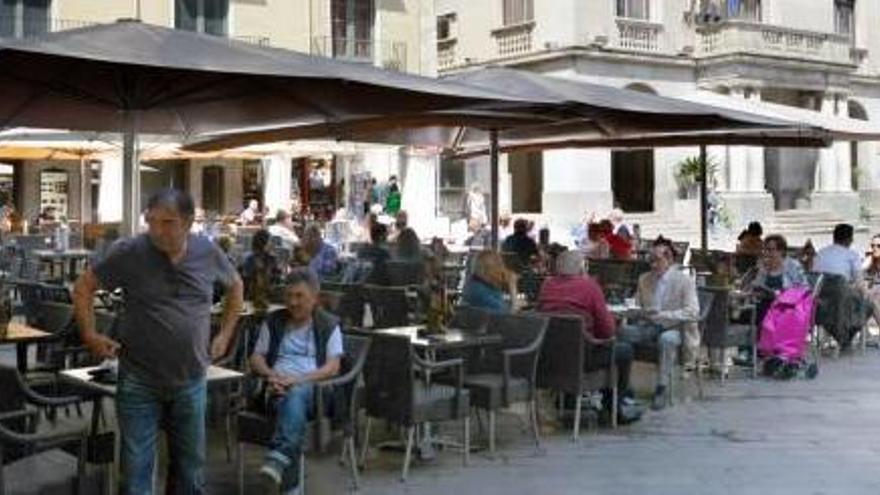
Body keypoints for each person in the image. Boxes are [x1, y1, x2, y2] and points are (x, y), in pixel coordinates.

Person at [73, 189, 244, 494]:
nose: (157, 231)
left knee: (191, 470)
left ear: (189, 222)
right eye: (151, 221)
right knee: (137, 470)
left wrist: (226, 333)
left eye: (167, 222)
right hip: (139, 378)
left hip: (191, 377)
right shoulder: (129, 251)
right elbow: (84, 286)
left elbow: (236, 287)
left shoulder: (207, 251)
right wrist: (90, 334)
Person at [249, 268, 343, 493]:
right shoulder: (274, 321)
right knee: (290, 406)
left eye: (299, 296)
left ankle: (278, 461)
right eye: (289, 296)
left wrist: (298, 379)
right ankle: (283, 472)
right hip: (276, 387)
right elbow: (256, 357)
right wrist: (272, 375)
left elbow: (333, 366)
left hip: (316, 392)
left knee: (297, 393)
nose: (293, 302)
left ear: (314, 298)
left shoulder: (329, 325)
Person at [538, 251, 639, 419]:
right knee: (624, 351)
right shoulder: (589, 287)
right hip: (583, 358)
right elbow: (608, 331)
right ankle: (614, 407)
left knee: (591, 346)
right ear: (582, 268)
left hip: (551, 358)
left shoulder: (547, 285)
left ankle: (568, 397)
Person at [619, 237, 699, 411]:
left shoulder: (684, 281)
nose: (653, 265)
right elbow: (638, 305)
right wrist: (633, 310)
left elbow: (692, 311)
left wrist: (664, 315)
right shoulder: (644, 279)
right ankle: (624, 386)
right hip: (647, 326)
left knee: (667, 340)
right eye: (651, 261)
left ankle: (661, 388)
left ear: (669, 260)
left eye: (657, 261)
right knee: (621, 333)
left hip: (674, 327)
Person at [241, 229, 281, 300]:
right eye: (270, 241)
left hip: (269, 295)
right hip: (252, 296)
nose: (272, 244)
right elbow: (246, 281)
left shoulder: (272, 259)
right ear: (263, 243)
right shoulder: (249, 260)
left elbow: (277, 278)